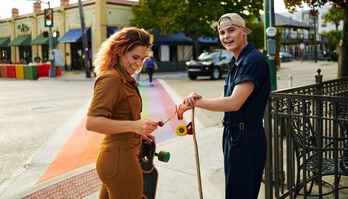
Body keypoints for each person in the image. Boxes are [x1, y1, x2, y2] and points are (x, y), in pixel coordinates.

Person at [177, 13, 271, 199]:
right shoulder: (236, 61)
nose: (226, 36)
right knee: (234, 192)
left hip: (247, 138)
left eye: (231, 30)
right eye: (221, 32)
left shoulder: (253, 60)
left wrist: (196, 103)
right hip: (233, 136)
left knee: (240, 194)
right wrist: (199, 98)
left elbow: (234, 103)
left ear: (244, 31)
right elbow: (225, 99)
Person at [85, 27, 159, 199]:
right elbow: (92, 122)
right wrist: (134, 126)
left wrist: (138, 133)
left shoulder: (123, 77)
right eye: (135, 57)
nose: (138, 64)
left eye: (142, 59)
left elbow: (120, 117)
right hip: (120, 160)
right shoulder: (112, 79)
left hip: (118, 158)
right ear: (119, 51)